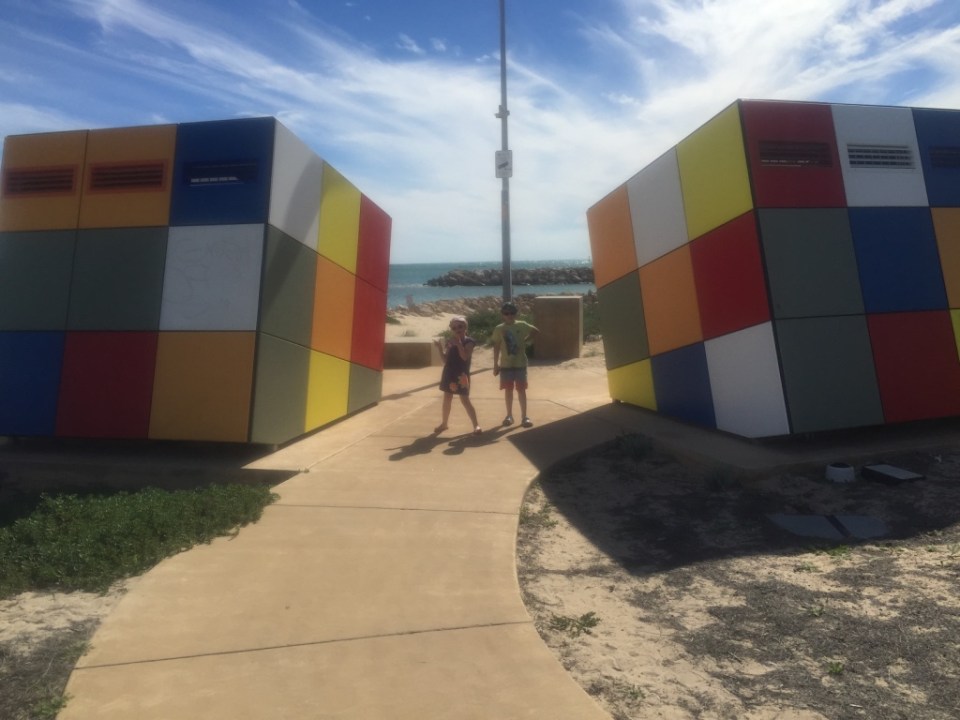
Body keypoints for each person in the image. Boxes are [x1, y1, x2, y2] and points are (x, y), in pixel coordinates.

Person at [491, 302, 539, 428]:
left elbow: (535, 331)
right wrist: (495, 364)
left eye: (512, 313)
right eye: (506, 313)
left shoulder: (521, 325)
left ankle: (524, 417)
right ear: (502, 315)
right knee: (508, 390)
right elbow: (496, 347)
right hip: (506, 365)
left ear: (516, 313)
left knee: (521, 390)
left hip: (520, 363)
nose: (509, 315)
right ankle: (509, 415)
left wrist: (525, 340)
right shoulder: (499, 328)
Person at [434, 316, 482, 435]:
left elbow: (464, 357)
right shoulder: (450, 342)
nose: (457, 329)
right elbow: (445, 360)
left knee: (465, 400)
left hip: (461, 375)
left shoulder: (469, 342)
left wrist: (459, 344)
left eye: (460, 326)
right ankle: (444, 424)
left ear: (465, 327)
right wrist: (440, 348)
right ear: (451, 329)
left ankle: (476, 425)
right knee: (447, 399)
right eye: (454, 327)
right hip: (449, 374)